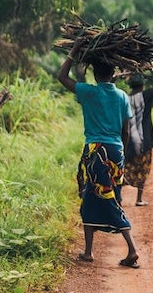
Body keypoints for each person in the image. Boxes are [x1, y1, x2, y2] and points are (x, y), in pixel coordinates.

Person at [57, 39, 140, 268]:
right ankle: (88, 252)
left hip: (95, 152)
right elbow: (126, 130)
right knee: (96, 198)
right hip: (116, 152)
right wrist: (121, 154)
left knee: (100, 198)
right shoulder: (122, 96)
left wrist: (73, 52)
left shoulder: (89, 92)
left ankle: (132, 249)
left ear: (95, 74)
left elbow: (62, 77)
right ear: (113, 73)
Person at [123, 74, 153, 206]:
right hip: (144, 139)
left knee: (126, 168)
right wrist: (152, 72)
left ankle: (118, 197)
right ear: (142, 85)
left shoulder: (124, 98)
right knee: (143, 168)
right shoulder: (146, 95)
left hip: (128, 140)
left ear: (130, 86)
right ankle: (139, 199)